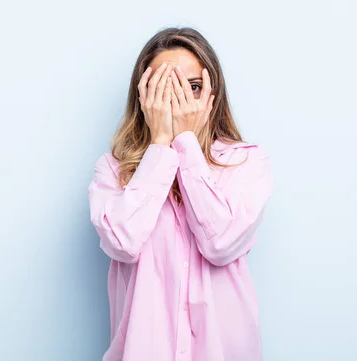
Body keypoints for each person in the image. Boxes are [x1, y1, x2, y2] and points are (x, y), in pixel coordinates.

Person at [88, 27, 274, 361]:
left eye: (194, 87)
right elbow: (123, 243)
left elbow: (220, 243)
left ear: (212, 96)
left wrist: (186, 142)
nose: (179, 102)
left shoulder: (247, 162)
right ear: (144, 97)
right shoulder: (112, 171)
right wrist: (160, 144)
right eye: (165, 88)